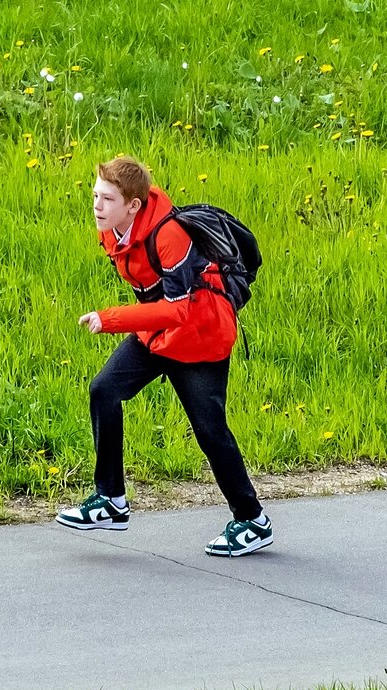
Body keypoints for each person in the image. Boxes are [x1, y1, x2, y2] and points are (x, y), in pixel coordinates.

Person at [54, 155, 272, 557]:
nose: (96, 206)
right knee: (104, 390)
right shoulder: (112, 230)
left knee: (209, 431)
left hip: (200, 336)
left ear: (132, 205)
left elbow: (178, 310)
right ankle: (111, 501)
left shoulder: (169, 236)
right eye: (95, 196)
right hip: (156, 333)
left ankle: (252, 520)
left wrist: (111, 318)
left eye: (106, 199)